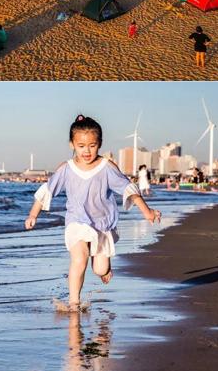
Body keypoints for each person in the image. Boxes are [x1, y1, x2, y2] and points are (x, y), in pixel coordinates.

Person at [24, 114, 161, 310]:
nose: (87, 151)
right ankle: (74, 303)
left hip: (102, 225)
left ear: (100, 144)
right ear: (72, 144)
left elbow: (128, 189)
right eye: (81, 146)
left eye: (92, 145)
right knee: (79, 258)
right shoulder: (67, 168)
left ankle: (105, 268)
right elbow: (47, 191)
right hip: (76, 222)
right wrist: (33, 215)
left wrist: (147, 212)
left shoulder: (106, 167)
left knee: (100, 268)